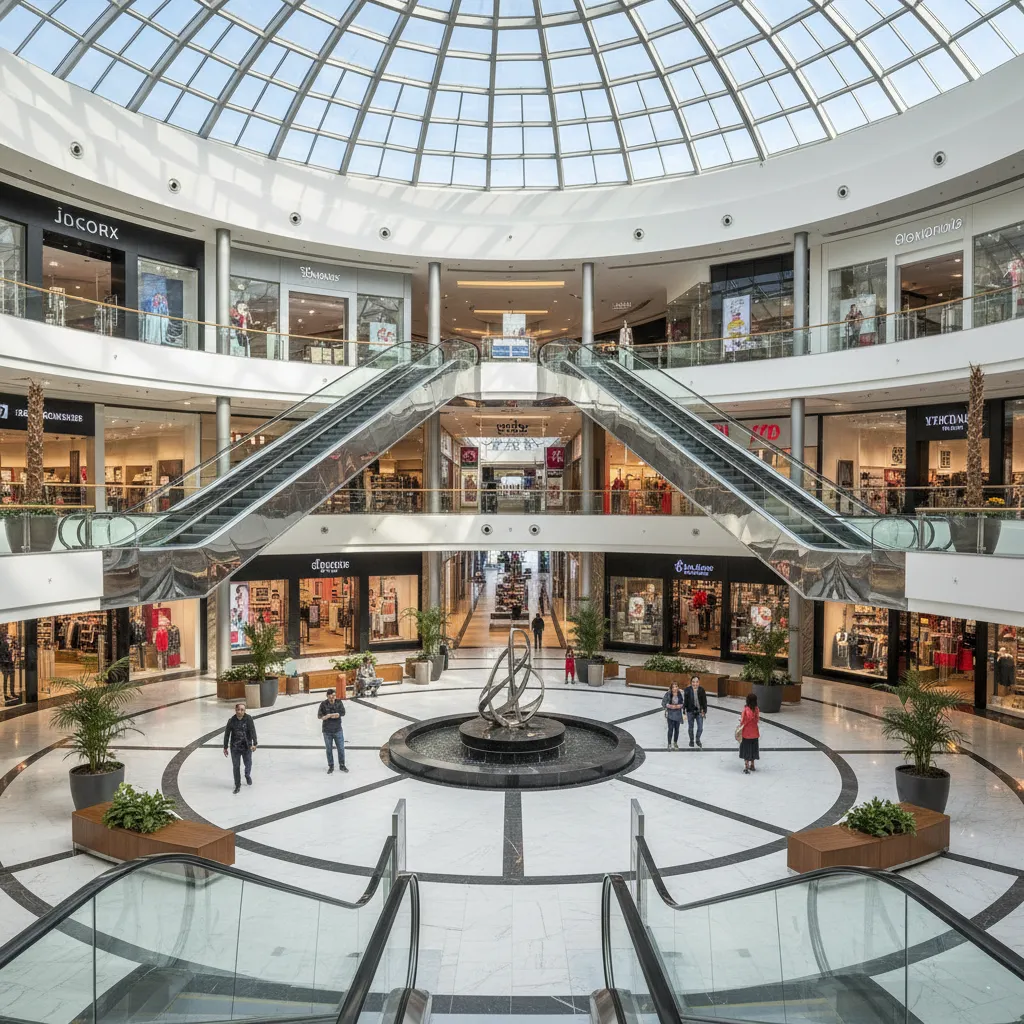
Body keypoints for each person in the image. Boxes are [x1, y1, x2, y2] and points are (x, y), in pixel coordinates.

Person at [222, 703, 257, 793]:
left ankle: (247, 775)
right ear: (235, 710)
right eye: (238, 709)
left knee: (248, 763)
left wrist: (255, 743)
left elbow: (252, 731)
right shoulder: (231, 721)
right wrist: (225, 747)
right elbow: (227, 735)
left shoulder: (248, 719)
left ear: (244, 711)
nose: (240, 711)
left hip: (247, 746)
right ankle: (237, 785)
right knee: (236, 767)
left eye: (242, 710)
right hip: (235, 747)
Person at [318, 687, 348, 774]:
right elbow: (319, 716)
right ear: (327, 696)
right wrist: (325, 717)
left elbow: (343, 712)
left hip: (338, 730)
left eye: (334, 696)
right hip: (327, 731)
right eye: (330, 697)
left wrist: (338, 714)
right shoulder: (323, 704)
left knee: (341, 748)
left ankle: (342, 765)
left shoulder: (339, 702)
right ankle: (331, 766)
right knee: (329, 749)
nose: (332, 699)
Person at [683, 674, 707, 749]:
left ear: (699, 682)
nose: (695, 684)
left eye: (696, 682)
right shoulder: (687, 690)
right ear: (691, 682)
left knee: (700, 728)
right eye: (693, 682)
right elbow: (685, 702)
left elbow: (704, 702)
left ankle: (697, 739)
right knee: (691, 727)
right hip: (690, 711)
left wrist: (704, 711)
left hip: (699, 712)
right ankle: (691, 740)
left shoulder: (702, 690)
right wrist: (684, 712)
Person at [739, 692, 760, 774]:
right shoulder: (757, 709)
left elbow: (743, 721)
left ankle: (746, 765)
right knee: (753, 749)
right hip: (755, 733)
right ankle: (752, 765)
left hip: (746, 734)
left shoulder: (745, 710)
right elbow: (757, 720)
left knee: (746, 750)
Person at [662, 683, 684, 750]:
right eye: (673, 687)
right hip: (670, 714)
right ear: (671, 688)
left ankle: (675, 743)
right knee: (670, 729)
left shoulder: (681, 694)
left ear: (678, 687)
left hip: (678, 714)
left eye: (676, 686)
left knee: (677, 730)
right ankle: (669, 744)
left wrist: (679, 706)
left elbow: (684, 703)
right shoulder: (668, 694)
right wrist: (670, 706)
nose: (675, 688)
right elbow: (663, 703)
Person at [0, 634, 14, 702]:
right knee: (5, 679)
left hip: (7, 664)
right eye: (8, 638)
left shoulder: (8, 645)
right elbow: (3, 655)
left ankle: (8, 693)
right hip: (4, 664)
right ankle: (5, 695)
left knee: (8, 678)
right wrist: (9, 652)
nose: (9, 639)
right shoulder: (3, 645)